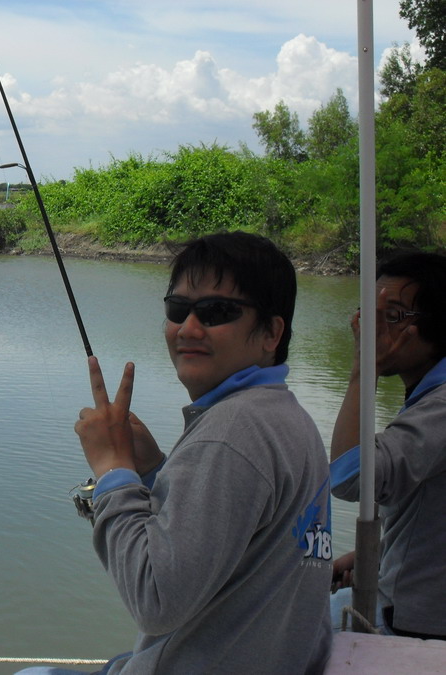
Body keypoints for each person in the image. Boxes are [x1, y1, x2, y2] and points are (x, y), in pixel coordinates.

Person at [18, 232, 332, 674]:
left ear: (270, 332)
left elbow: (157, 599)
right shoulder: (283, 414)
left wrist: (112, 470)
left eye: (217, 312)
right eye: (177, 308)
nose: (188, 328)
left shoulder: (230, 433)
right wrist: (150, 469)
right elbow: (233, 539)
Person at [329, 251, 446, 640]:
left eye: (392, 316)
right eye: (369, 312)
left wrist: (364, 370)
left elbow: (351, 474)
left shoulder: (439, 409)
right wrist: (370, 557)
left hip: (414, 624)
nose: (372, 329)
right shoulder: (429, 395)